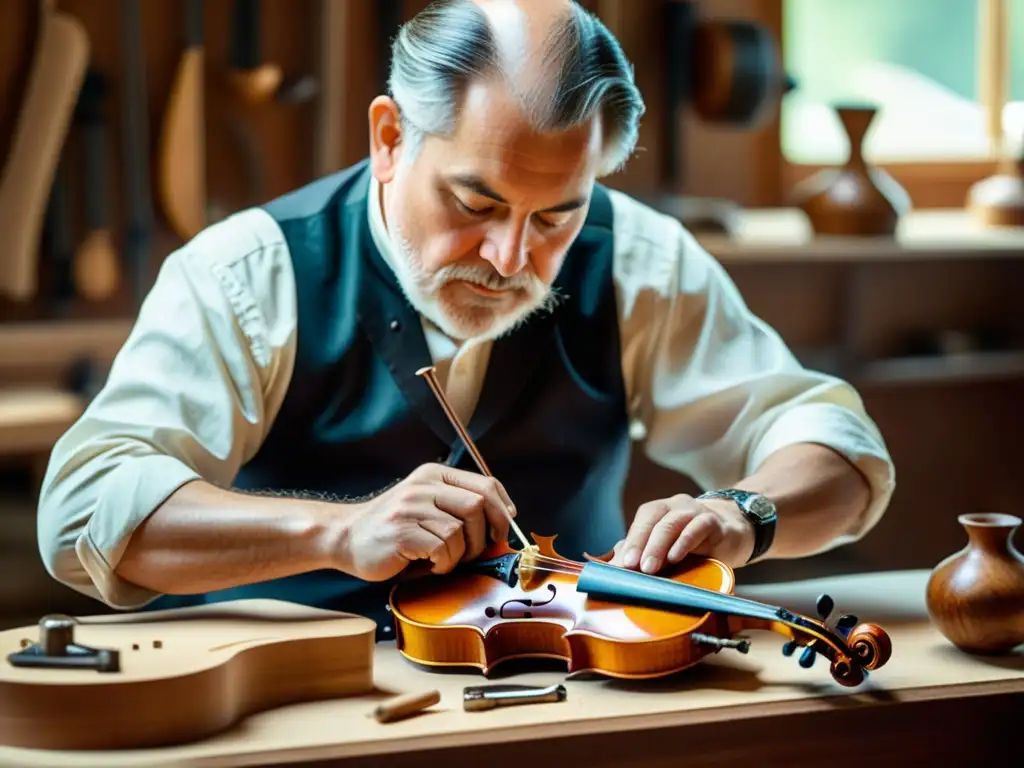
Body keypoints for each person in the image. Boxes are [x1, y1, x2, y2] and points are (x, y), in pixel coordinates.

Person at [36, 0, 894, 638]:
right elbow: (83, 508)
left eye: (556, 215)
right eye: (474, 201)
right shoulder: (249, 271)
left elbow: (838, 449)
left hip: (560, 698)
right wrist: (335, 530)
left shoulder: (641, 256)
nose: (510, 258)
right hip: (286, 704)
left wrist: (748, 513)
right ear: (388, 138)